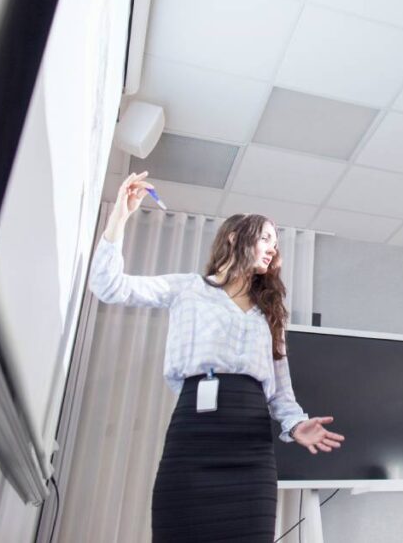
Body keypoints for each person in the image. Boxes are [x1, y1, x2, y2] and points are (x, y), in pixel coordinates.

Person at [89, 172, 345, 542]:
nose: (274, 247)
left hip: (251, 449)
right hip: (194, 437)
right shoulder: (188, 289)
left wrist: (295, 425)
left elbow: (280, 393)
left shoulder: (269, 313)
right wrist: (120, 218)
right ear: (233, 236)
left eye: (277, 242)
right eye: (266, 236)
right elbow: (108, 286)